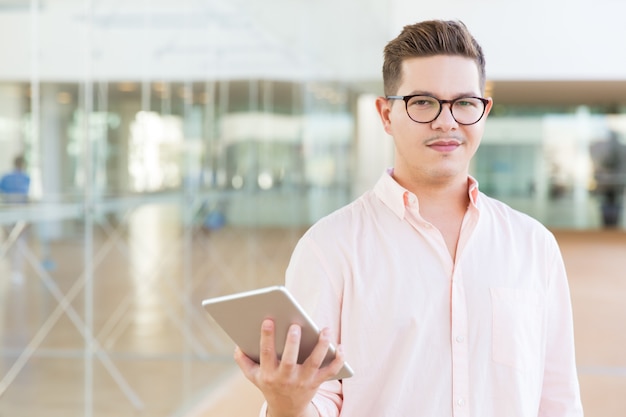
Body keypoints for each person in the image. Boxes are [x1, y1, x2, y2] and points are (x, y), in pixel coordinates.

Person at [235, 20, 584, 417]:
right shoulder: (330, 248)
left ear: (483, 112)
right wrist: (285, 405)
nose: (447, 122)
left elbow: (558, 399)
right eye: (422, 102)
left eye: (465, 103)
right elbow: (317, 399)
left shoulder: (533, 245)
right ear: (386, 115)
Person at [1, 154, 31, 282]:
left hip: (9, 214)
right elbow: (26, 197)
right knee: (19, 242)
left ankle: (11, 267)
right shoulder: (25, 178)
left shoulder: (5, 178)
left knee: (9, 240)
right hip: (19, 214)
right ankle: (15, 271)